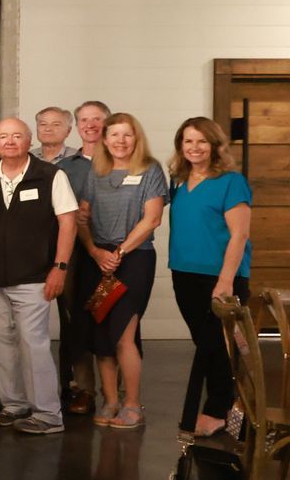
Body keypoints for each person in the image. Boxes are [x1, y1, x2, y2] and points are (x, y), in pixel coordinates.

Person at [0, 117, 77, 435]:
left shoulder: (50, 175)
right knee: (1, 346)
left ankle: (48, 414)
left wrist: (60, 267)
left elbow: (69, 222)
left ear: (29, 140)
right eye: (3, 136)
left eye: (16, 136)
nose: (9, 141)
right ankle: (14, 405)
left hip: (34, 277)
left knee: (34, 346)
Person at [78, 113, 169, 430]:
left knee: (123, 335)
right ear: (104, 140)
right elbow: (82, 217)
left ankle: (132, 404)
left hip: (134, 259)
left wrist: (119, 252)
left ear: (136, 138)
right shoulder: (96, 171)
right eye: (114, 135)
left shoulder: (150, 169)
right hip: (98, 259)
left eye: (127, 134)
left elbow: (152, 219)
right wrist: (95, 251)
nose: (120, 141)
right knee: (102, 335)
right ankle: (110, 400)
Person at [169, 117, 252, 437]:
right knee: (206, 345)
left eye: (202, 141)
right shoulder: (179, 181)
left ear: (215, 145)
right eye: (188, 141)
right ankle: (228, 409)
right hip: (184, 274)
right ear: (181, 146)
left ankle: (217, 411)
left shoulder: (231, 182)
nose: (195, 147)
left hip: (220, 277)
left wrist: (225, 281)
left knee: (216, 347)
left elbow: (239, 235)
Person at [56, 101, 108, 415]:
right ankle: (84, 389)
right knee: (76, 320)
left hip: (113, 252)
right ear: (77, 127)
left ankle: (115, 392)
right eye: (84, 120)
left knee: (111, 317)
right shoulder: (65, 167)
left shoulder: (122, 161)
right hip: (75, 253)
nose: (90, 125)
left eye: (97, 119)